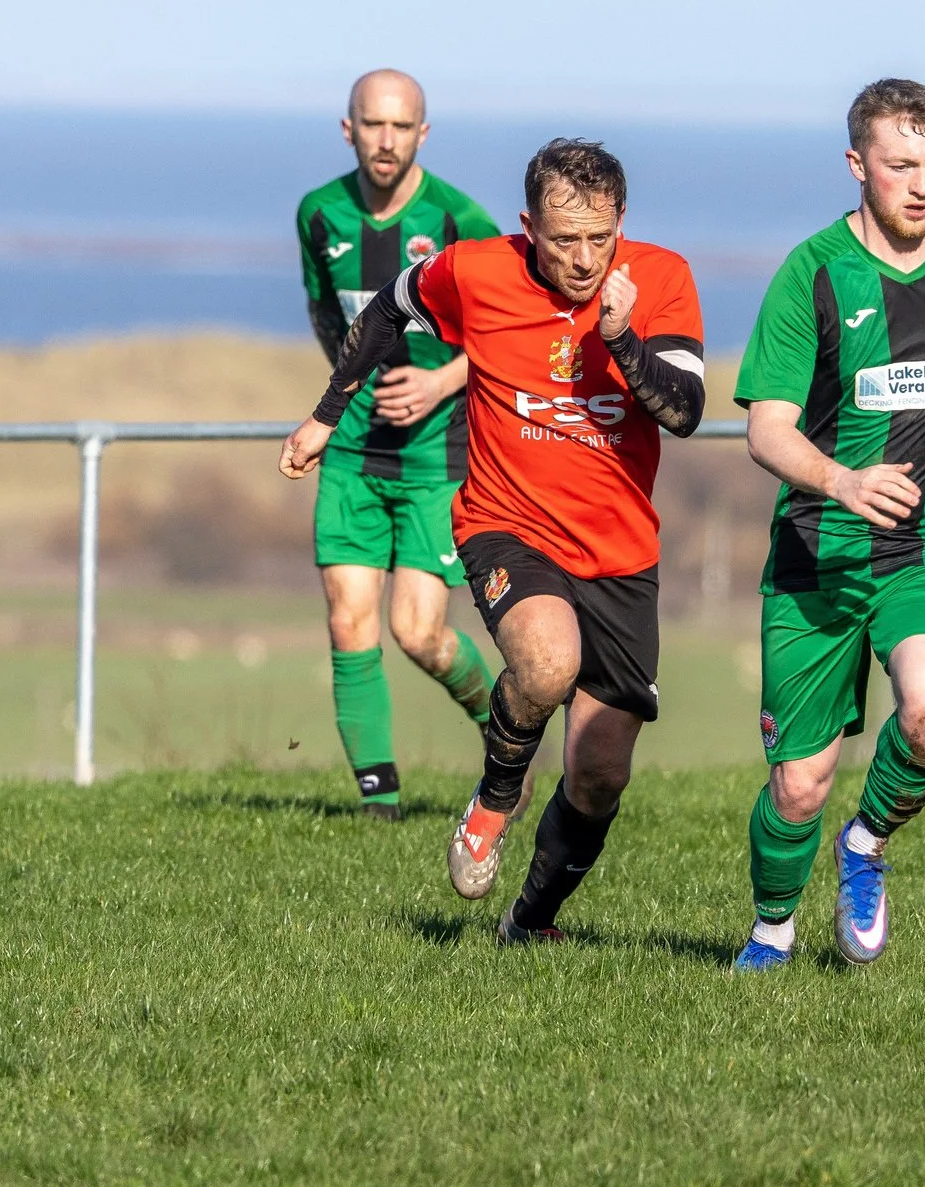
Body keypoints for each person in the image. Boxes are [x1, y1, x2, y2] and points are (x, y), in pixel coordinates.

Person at [281, 140, 705, 942]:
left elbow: (682, 412)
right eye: (563, 239)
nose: (584, 259)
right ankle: (494, 799)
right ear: (527, 228)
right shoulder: (475, 269)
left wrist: (620, 338)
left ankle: (530, 921)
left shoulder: (660, 279)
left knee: (601, 771)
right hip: (505, 522)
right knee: (547, 664)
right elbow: (382, 312)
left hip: (620, 551)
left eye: (600, 238)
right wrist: (325, 415)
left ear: (622, 224)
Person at [729, 79, 925, 971]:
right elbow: (766, 429)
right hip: (816, 558)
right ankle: (772, 930)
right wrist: (843, 481)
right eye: (901, 166)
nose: (921, 185)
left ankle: (864, 845)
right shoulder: (813, 272)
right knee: (798, 786)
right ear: (857, 164)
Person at [296, 70, 505, 816]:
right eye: (372, 125)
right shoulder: (318, 214)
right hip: (354, 451)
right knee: (347, 617)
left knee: (418, 632)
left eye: (401, 126)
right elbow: (327, 315)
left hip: (436, 453)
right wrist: (342, 397)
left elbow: (510, 331)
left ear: (424, 132)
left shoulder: (458, 219)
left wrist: (441, 382)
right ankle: (377, 803)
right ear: (348, 128)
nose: (386, 141)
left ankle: (504, 730)